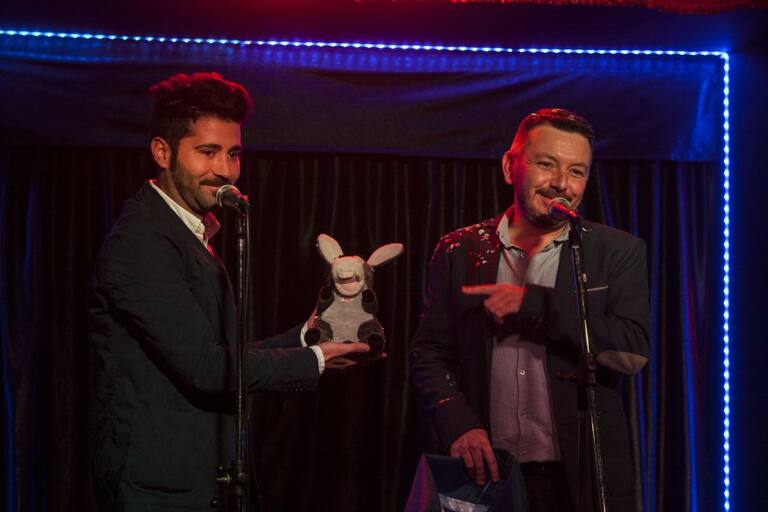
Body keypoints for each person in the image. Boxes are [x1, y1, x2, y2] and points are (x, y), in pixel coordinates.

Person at [89, 72, 370, 511]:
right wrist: (314, 360)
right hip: (158, 490)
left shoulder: (187, 233)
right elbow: (206, 368)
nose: (224, 169)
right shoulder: (141, 241)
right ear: (162, 152)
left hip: (199, 479)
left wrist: (305, 338)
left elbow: (218, 353)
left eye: (233, 153)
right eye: (207, 152)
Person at [409, 108, 650, 511]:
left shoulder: (615, 250)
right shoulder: (459, 249)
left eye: (577, 171)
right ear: (510, 167)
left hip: (584, 479)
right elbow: (429, 353)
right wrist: (458, 424)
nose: (561, 183)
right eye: (546, 164)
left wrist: (536, 303)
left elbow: (632, 352)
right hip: (487, 475)